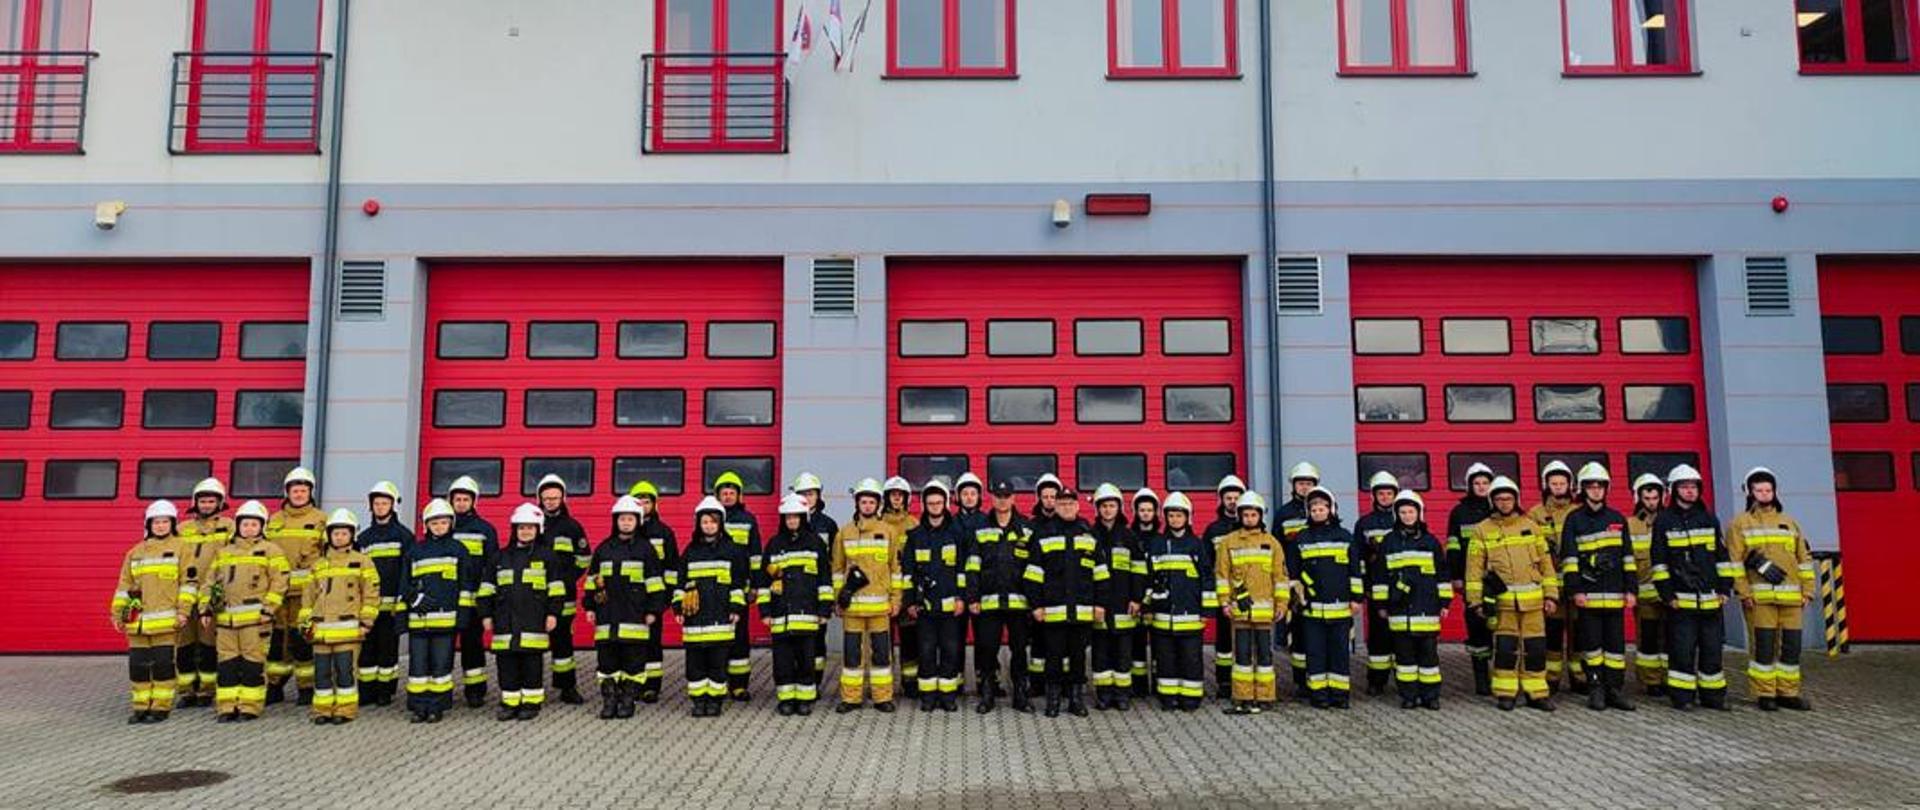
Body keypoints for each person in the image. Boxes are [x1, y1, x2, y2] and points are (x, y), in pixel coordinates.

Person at [1466, 476, 1560, 712]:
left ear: (1516, 499)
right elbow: (1474, 569)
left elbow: (1546, 564)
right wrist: (1475, 601)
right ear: (1492, 500)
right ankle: (1506, 693)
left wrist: (1551, 595)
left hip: (1534, 603)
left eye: (1508, 498)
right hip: (1503, 603)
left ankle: (1536, 693)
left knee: (1536, 648)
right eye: (1499, 499)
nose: (1504, 503)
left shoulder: (1531, 526)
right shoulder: (1481, 530)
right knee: (1505, 649)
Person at [1727, 467, 1815, 712]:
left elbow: (1803, 559)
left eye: (1768, 489)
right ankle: (1764, 693)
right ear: (1750, 492)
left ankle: (1788, 692)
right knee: (1763, 646)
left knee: (1791, 647)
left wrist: (1808, 590)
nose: (1764, 494)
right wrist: (1744, 593)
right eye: (1759, 490)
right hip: (1759, 598)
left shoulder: (1789, 523)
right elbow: (1734, 563)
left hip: (1792, 599)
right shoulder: (1739, 524)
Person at [1650, 464, 1734, 712]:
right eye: (1684, 487)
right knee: (1682, 651)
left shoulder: (1708, 519)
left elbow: (1721, 557)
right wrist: (1667, 595)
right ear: (1674, 490)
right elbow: (1659, 560)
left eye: (1693, 487)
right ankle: (1682, 696)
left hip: (1710, 600)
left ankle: (1713, 697)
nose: (1689, 491)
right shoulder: (1664, 521)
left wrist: (1724, 589)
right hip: (1681, 601)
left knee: (1712, 650)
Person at [1559, 463, 1637, 711]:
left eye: (1599, 486)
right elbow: (1569, 559)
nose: (1595, 491)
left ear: (1606, 489)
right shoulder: (1574, 519)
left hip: (1615, 596)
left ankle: (1614, 690)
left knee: (1615, 648)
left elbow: (1627, 557)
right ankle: (1596, 690)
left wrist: (1631, 590)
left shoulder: (1617, 519)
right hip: (1588, 597)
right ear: (1582, 490)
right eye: (1591, 486)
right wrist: (1575, 591)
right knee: (1591, 646)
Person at [585, 495, 668, 720]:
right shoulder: (604, 548)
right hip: (607, 616)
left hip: (635, 616)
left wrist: (654, 610)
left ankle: (628, 700)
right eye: (622, 519)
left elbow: (655, 582)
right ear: (616, 521)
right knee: (607, 661)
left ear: (638, 521)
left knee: (634, 661)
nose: (626, 523)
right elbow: (593, 580)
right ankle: (609, 700)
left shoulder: (646, 549)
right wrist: (589, 606)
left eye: (630, 519)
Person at [206, 499, 289, 722]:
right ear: (238, 526)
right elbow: (209, 582)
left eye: (254, 524)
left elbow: (280, 582)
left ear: (262, 526)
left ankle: (250, 707)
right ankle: (226, 707)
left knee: (253, 664)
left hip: (255, 620)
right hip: (226, 620)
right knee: (227, 664)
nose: (249, 528)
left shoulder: (271, 551)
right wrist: (205, 609)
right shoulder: (224, 552)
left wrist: (268, 610)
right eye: (245, 524)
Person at [480, 504, 565, 721]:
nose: (525, 531)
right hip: (504, 621)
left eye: (530, 527)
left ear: (538, 530)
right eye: (521, 527)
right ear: (514, 529)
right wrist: (486, 615)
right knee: (506, 665)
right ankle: (509, 703)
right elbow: (487, 588)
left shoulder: (548, 557)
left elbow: (556, 589)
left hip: (534, 621)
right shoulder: (499, 557)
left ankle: (531, 702)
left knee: (531, 665)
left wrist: (553, 614)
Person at [114, 500, 196, 723]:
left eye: (165, 522)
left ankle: (160, 707)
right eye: (156, 522)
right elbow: (124, 586)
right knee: (138, 667)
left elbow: (188, 584)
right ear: (148, 524)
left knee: (163, 665)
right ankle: (140, 707)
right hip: (137, 623)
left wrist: (183, 612)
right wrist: (118, 614)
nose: (160, 526)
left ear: (173, 524)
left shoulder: (182, 548)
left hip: (166, 623)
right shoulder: (135, 552)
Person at [300, 508, 379, 725]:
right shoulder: (319, 565)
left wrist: (366, 622)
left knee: (345, 673)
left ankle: (345, 710)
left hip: (349, 630)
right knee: (322, 674)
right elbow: (308, 598)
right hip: (321, 632)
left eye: (345, 533)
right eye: (336, 533)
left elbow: (371, 595)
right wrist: (305, 624)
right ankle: (322, 711)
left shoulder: (363, 562)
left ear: (352, 535)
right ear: (329, 535)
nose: (340, 537)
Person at [1030, 488, 1105, 717]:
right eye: (1062, 503)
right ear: (1056, 506)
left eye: (1070, 503)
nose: (1066, 507)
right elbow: (1033, 574)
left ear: (1078, 506)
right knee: (1053, 657)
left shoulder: (1089, 535)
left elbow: (1101, 574)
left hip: (1082, 611)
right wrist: (1036, 605)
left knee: (1078, 657)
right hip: (1053, 611)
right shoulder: (1044, 534)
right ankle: (1053, 702)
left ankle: (1076, 701)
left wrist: (1100, 605)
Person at [833, 478, 905, 713]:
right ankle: (851, 698)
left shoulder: (888, 532)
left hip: (880, 608)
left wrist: (896, 600)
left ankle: (882, 697)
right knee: (852, 656)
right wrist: (838, 599)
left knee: (882, 656)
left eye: (871, 502)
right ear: (857, 504)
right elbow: (837, 569)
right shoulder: (845, 532)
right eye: (863, 502)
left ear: (877, 504)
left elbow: (895, 570)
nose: (867, 506)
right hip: (852, 607)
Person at [1214, 491, 1288, 715]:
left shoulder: (1272, 543)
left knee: (1265, 658)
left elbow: (1280, 577)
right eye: (1245, 515)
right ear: (1239, 516)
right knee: (1242, 658)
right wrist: (1224, 603)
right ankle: (1242, 696)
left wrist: (1282, 605)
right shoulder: (1228, 542)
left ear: (1260, 516)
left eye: (1253, 514)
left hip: (1265, 613)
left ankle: (1265, 696)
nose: (1249, 518)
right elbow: (1221, 575)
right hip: (1240, 611)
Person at [1377, 491, 1449, 710]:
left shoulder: (1430, 542)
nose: (1407, 516)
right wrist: (1381, 604)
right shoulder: (1389, 541)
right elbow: (1380, 575)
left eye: (1411, 511)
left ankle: (1431, 696)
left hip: (1426, 609)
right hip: (1399, 611)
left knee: (1429, 657)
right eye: (1403, 512)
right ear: (1397, 514)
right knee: (1404, 658)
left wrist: (1445, 602)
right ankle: (1408, 696)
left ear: (1419, 513)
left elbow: (1442, 573)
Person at [966, 480, 1033, 714]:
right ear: (992, 498)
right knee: (987, 648)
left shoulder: (1026, 528)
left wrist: (1034, 601)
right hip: (989, 602)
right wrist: (972, 598)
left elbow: (1034, 568)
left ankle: (1021, 694)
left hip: (1019, 602)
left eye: (1006, 496)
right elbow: (972, 566)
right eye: (998, 496)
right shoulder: (981, 528)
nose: (1002, 500)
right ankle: (987, 693)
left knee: (1019, 649)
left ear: (1013, 498)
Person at [902, 480, 968, 712]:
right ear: (925, 505)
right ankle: (928, 696)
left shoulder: (957, 535)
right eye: (930, 503)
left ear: (945, 504)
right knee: (926, 651)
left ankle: (948, 696)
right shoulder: (915, 536)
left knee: (950, 650)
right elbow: (907, 573)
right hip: (924, 607)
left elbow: (962, 570)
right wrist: (909, 602)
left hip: (951, 607)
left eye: (939, 502)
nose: (935, 506)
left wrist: (961, 598)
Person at [1145, 492, 1215, 712]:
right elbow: (1148, 576)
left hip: (1190, 615)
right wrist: (1148, 607)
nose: (1175, 519)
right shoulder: (1157, 543)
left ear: (1187, 517)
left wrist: (1206, 610)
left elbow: (1207, 577)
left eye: (1179, 515)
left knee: (1191, 659)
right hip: (1163, 616)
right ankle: (1168, 696)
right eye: (1171, 515)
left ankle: (1191, 697)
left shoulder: (1196, 544)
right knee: (1166, 659)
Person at [1294, 487, 1363, 709]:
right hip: (1312, 609)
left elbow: (1355, 570)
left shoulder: (1344, 537)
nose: (1317, 512)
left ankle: (1340, 696)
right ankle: (1319, 696)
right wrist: (1298, 596)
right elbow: (1294, 573)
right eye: (1313, 509)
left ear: (1331, 510)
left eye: (1322, 508)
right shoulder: (1302, 538)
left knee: (1339, 653)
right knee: (1315, 653)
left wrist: (1356, 599)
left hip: (1340, 607)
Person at [403, 498, 470, 723]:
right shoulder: (416, 551)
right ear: (426, 525)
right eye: (434, 523)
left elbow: (466, 585)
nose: (439, 527)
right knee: (418, 667)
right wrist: (415, 599)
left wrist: (463, 616)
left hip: (446, 622)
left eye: (443, 522)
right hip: (419, 622)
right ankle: (418, 706)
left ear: (451, 524)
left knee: (441, 666)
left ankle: (437, 707)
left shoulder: (458, 550)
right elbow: (405, 583)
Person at [762, 493, 830, 716]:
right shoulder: (774, 545)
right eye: (788, 518)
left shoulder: (815, 543)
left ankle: (804, 699)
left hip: (807, 615)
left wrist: (824, 609)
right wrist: (765, 611)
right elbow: (764, 582)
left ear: (803, 518)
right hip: (781, 616)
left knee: (806, 660)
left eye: (795, 517)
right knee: (782, 661)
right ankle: (786, 699)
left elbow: (824, 580)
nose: (791, 521)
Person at [679, 496, 747, 717]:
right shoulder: (690, 551)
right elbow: (679, 583)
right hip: (695, 620)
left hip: (721, 619)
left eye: (712, 522)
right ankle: (699, 701)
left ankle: (715, 700)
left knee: (718, 663)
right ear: (698, 524)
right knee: (695, 665)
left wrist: (736, 609)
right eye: (704, 522)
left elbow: (738, 583)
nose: (708, 526)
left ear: (720, 524)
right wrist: (678, 609)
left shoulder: (732, 550)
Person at [266, 467, 325, 705]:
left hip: (305, 594)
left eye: (303, 490)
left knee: (304, 640)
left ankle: (306, 688)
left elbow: (328, 556)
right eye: (295, 490)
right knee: (277, 641)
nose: (299, 494)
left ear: (310, 492)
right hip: (278, 593)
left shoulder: (321, 520)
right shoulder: (274, 521)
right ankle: (274, 686)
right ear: (287, 492)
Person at [174, 478, 232, 708]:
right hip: (185, 595)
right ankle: (187, 691)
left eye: (211, 501)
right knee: (185, 645)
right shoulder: (182, 529)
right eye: (202, 501)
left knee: (209, 645)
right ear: (195, 503)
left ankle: (207, 691)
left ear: (220, 502)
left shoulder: (229, 527)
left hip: (213, 595)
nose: (206, 505)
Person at [1089, 483, 1145, 710]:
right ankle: (1104, 694)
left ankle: (1122, 695)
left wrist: (1137, 598)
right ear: (1098, 509)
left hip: (1124, 603)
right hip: (1100, 605)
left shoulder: (1129, 536)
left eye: (1111, 506)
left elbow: (1139, 570)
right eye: (1104, 506)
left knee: (1123, 652)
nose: (1108, 510)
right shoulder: (1090, 535)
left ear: (1118, 508)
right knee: (1101, 652)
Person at [535, 474, 590, 705]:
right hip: (534, 593)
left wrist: (567, 579)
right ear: (539, 498)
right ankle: (532, 686)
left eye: (555, 498)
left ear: (563, 498)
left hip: (564, 597)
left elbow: (584, 559)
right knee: (533, 642)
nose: (550, 502)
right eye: (546, 498)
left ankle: (567, 687)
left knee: (563, 643)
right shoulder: (532, 522)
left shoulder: (572, 527)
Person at [1528, 460, 1582, 694]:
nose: (1558, 487)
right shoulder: (1536, 513)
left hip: (1577, 582)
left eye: (1562, 483)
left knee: (1579, 632)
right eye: (1554, 483)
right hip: (1550, 584)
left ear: (1570, 484)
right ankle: (1551, 678)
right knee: (1553, 632)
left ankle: (1579, 677)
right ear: (1546, 485)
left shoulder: (1578, 512)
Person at [355, 481, 410, 707]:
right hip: (368, 606)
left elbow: (407, 572)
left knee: (388, 651)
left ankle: (385, 692)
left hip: (391, 606)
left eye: (384, 503)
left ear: (392, 506)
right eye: (376, 503)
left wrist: (402, 600)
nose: (380, 507)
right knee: (367, 650)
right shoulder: (364, 538)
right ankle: (367, 691)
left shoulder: (404, 536)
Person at [447, 475, 499, 709]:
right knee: (444, 649)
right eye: (457, 499)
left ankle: (475, 691)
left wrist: (487, 600)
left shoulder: (486, 530)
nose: (460, 503)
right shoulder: (441, 525)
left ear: (473, 501)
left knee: (472, 646)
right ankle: (443, 690)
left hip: (474, 601)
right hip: (446, 602)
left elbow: (492, 566)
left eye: (465, 499)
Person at [625, 480, 680, 701]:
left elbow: (672, 568)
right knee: (632, 644)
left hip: (653, 599)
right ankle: (634, 683)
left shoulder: (664, 533)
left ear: (655, 504)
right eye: (640, 502)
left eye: (647, 502)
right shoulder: (627, 530)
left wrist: (665, 599)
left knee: (653, 643)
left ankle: (652, 686)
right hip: (630, 600)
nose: (644, 506)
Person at [713, 471, 764, 702]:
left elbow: (755, 556)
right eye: (724, 493)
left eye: (732, 492)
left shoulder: (748, 519)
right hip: (716, 590)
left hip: (741, 588)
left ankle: (739, 685)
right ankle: (718, 682)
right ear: (717, 496)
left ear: (739, 495)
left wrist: (755, 585)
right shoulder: (711, 519)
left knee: (740, 638)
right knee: (718, 637)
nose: (728, 496)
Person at [1447, 463, 1497, 695]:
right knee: (1477, 629)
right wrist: (1456, 577)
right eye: (1477, 483)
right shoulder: (1459, 512)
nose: (1481, 487)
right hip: (1472, 580)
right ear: (1469, 485)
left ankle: (1502, 675)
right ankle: (1481, 680)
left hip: (1499, 580)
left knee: (1502, 628)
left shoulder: (1500, 509)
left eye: (1485, 483)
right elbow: (1453, 547)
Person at [1274, 462, 1321, 697]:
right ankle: (1301, 681)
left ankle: (1318, 678)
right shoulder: (1284, 514)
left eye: (1309, 483)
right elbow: (1276, 549)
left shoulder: (1323, 509)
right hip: (1294, 584)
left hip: (1320, 584)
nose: (1305, 487)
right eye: (1301, 483)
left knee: (1317, 633)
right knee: (1299, 634)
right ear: (1293, 486)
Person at [1353, 471, 1402, 697]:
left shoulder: (1405, 517)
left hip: (1403, 589)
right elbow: (1359, 558)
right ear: (1374, 496)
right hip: (1376, 588)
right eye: (1380, 493)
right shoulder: (1364, 523)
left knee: (1403, 637)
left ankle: (1405, 680)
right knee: (1379, 637)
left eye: (1388, 493)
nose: (1385, 497)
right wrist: (1362, 587)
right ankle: (1377, 680)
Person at [792, 471, 840, 695]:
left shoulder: (828, 525)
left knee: (818, 639)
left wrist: (831, 594)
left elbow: (836, 559)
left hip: (818, 589)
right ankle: (798, 679)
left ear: (818, 496)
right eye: (802, 493)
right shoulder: (790, 520)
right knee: (796, 638)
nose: (807, 497)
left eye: (810, 493)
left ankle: (815, 682)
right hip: (795, 590)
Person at [1202, 474, 1247, 696]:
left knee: (1246, 639)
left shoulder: (1252, 526)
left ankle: (1245, 681)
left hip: (1249, 593)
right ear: (1221, 500)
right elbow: (1206, 565)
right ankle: (1224, 683)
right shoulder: (1213, 530)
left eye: (1236, 497)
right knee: (1223, 642)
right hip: (1224, 594)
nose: (1232, 501)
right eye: (1228, 497)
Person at [1627, 474, 1669, 697]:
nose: (1652, 502)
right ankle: (1650, 681)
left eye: (1655, 497)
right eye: (1647, 497)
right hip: (1644, 595)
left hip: (1670, 594)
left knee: (1670, 638)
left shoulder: (1670, 521)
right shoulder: (1630, 525)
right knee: (1648, 639)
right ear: (1638, 498)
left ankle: (1670, 677)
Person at [880, 475, 920, 698]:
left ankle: (910, 682)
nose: (896, 499)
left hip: (907, 591)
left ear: (906, 498)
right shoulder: (879, 523)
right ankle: (884, 685)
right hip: (883, 591)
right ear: (886, 498)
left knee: (910, 640)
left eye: (900, 495)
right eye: (893, 495)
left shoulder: (913, 524)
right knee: (882, 643)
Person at [1026, 473, 1064, 694]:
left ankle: (1064, 684)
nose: (1049, 500)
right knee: (1038, 642)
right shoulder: (1031, 526)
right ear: (1039, 498)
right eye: (1045, 496)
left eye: (1053, 496)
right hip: (1039, 593)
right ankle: (1037, 684)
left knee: (1063, 643)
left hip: (1061, 593)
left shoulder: (1067, 524)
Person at [1125, 488, 1160, 699]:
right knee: (1136, 646)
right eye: (1142, 510)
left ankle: (1158, 683)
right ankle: (1138, 687)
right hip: (1136, 599)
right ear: (1135, 512)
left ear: (1155, 512)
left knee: (1158, 646)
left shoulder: (1160, 538)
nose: (1146, 513)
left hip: (1156, 601)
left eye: (1149, 510)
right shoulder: (1130, 537)